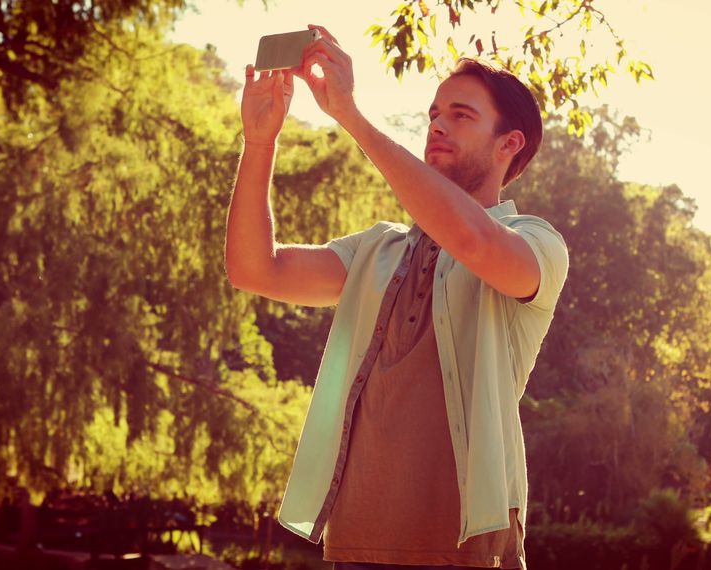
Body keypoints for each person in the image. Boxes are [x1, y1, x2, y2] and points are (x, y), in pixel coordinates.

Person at [225, 24, 569, 570]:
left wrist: (350, 116)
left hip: (466, 548)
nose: (437, 126)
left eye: (461, 115)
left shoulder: (538, 243)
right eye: (434, 114)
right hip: (355, 545)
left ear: (509, 144)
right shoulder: (376, 251)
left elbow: (471, 239)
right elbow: (253, 269)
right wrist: (260, 141)